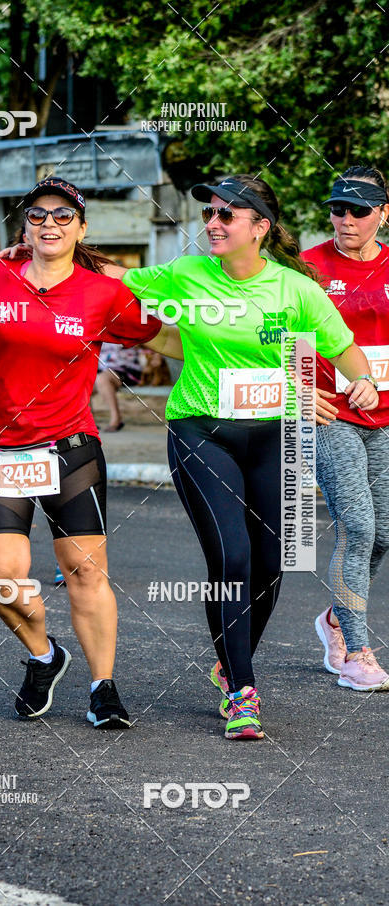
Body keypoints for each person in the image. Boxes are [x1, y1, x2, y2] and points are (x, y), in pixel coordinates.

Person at [0, 176, 182, 729]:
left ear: (81, 227)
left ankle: (104, 688)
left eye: (63, 215)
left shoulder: (104, 293)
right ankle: (45, 655)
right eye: (39, 215)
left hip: (70, 447)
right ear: (25, 224)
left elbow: (163, 338)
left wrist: (231, 347)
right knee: (0, 574)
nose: (50, 223)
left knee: (84, 570)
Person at [117, 174, 378, 740]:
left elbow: (344, 348)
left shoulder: (296, 290)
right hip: (201, 431)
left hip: (272, 437)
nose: (212, 223)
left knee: (272, 564)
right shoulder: (184, 275)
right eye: (210, 213)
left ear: (260, 228)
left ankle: (228, 662)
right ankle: (241, 690)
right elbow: (109, 279)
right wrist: (49, 253)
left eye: (227, 215)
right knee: (232, 558)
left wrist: (362, 384)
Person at [303, 166, 389, 691]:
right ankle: (355, 650)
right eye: (338, 209)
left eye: (359, 210)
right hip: (330, 415)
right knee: (357, 528)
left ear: (383, 213)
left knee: (386, 531)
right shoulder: (307, 268)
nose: (346, 219)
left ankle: (334, 618)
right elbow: (273, 333)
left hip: (386, 418)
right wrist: (298, 387)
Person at [93, 342, 143, 431]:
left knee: (102, 379)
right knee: (83, 380)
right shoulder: (97, 331)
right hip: (102, 368)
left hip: (126, 369)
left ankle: (116, 418)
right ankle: (88, 421)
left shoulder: (124, 329)